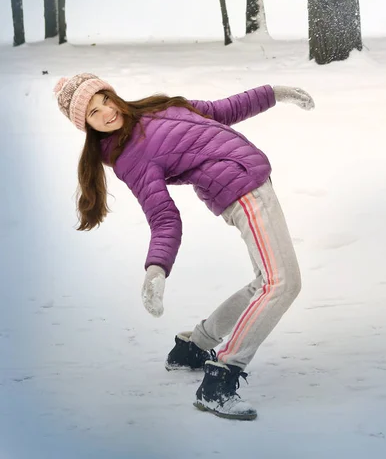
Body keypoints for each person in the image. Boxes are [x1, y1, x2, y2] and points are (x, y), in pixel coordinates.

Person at [54, 73, 315, 421]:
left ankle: (194, 348)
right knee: (282, 284)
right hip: (242, 193)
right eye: (92, 113)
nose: (105, 112)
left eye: (104, 100)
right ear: (85, 126)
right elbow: (163, 216)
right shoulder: (129, 158)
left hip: (250, 180)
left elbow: (223, 109)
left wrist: (273, 93)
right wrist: (156, 268)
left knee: (265, 283)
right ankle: (220, 381)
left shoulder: (158, 108)